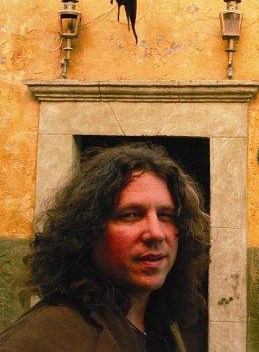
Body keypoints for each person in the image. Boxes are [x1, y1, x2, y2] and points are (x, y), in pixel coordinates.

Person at [0, 143, 210, 351]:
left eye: (165, 215)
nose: (156, 233)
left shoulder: (161, 327)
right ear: (87, 230)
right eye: (130, 215)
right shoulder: (42, 338)